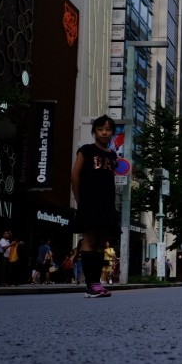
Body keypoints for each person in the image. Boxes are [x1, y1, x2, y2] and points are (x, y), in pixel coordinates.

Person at [70, 115, 119, 298]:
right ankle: (90, 285)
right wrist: (79, 199)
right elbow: (75, 175)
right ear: (94, 131)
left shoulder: (112, 155)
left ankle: (96, 284)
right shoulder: (86, 150)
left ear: (113, 132)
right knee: (89, 241)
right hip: (89, 202)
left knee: (100, 244)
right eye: (100, 129)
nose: (104, 133)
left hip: (106, 204)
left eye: (108, 129)